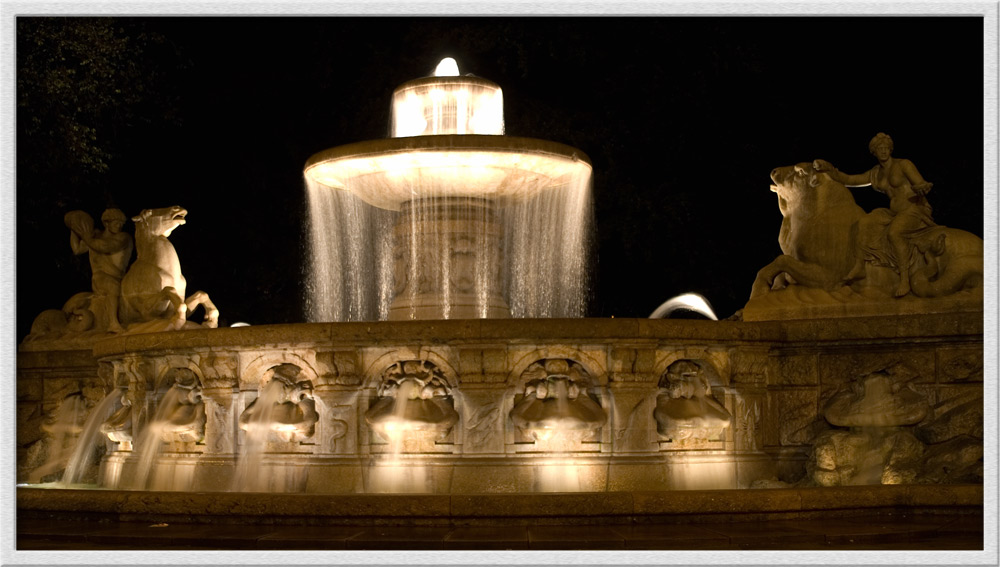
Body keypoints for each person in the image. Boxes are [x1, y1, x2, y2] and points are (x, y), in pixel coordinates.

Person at [813, 133, 934, 296]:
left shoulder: (904, 164)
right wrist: (829, 169)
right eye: (879, 149)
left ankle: (904, 279)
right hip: (893, 212)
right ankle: (859, 265)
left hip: (913, 209)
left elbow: (919, 182)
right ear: (874, 152)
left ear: (891, 150)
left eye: (886, 148)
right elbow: (850, 179)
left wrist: (922, 187)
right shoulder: (875, 173)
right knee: (864, 222)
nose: (883, 151)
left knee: (894, 233)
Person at [68, 208, 133, 331]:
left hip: (120, 277)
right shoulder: (95, 236)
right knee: (113, 286)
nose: (119, 226)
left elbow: (105, 247)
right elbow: (77, 249)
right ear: (106, 223)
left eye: (121, 223)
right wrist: (75, 229)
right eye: (116, 223)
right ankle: (113, 323)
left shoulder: (123, 237)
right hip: (101, 278)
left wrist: (86, 237)